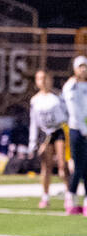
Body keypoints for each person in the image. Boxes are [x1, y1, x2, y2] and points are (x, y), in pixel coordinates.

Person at [28, 69, 70, 210]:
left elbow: (66, 115)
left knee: (62, 165)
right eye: (39, 79)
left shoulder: (58, 96)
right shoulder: (35, 100)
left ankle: (69, 194)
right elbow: (34, 122)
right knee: (46, 167)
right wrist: (32, 143)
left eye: (45, 78)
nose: (43, 81)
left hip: (58, 130)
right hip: (45, 134)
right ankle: (45, 196)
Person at [62, 56, 87, 215]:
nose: (83, 69)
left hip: (86, 129)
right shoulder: (71, 86)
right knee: (78, 166)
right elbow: (73, 110)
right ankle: (70, 197)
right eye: (80, 66)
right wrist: (83, 128)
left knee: (86, 167)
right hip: (77, 130)